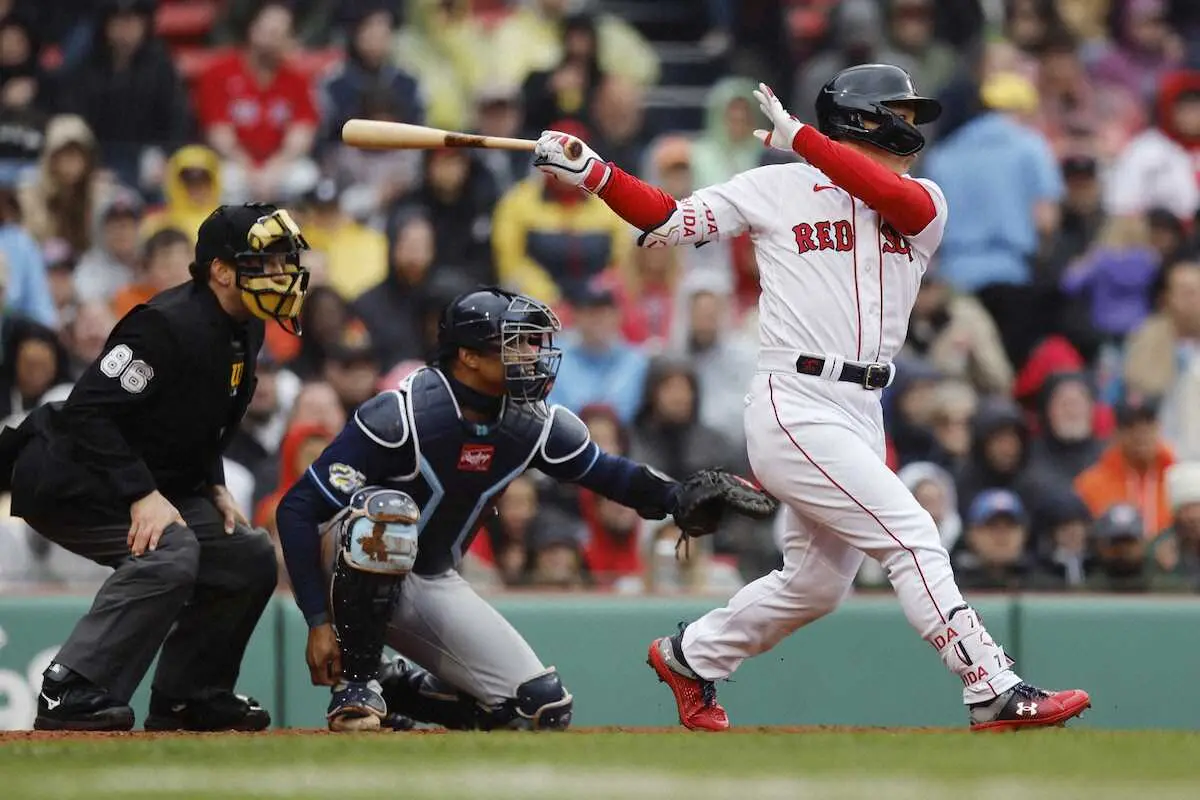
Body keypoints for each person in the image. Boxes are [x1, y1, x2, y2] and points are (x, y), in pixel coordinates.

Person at [533, 63, 1091, 731]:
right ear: (864, 116)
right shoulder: (773, 187)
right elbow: (671, 220)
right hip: (793, 398)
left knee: (817, 585)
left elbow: (893, 199)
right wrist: (595, 172)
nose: (910, 124)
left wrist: (803, 140)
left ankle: (691, 655)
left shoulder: (925, 200)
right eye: (900, 111)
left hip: (861, 407)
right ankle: (991, 686)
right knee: (913, 537)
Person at [274, 287, 767, 732]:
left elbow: (608, 473)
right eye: (515, 343)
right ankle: (356, 684)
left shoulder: (530, 423)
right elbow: (298, 508)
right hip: (345, 559)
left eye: (532, 343)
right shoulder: (402, 415)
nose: (531, 355)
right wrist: (318, 621)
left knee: (540, 709)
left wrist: (676, 499)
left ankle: (394, 683)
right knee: (389, 512)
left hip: (428, 575)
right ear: (467, 356)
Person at [0, 202, 312, 732]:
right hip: (68, 474)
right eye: (266, 263)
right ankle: (72, 687)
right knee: (170, 549)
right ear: (221, 271)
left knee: (247, 554)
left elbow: (201, 413)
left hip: (141, 476)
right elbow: (89, 413)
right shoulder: (165, 326)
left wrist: (212, 482)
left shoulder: (246, 326)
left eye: (285, 262)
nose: (282, 275)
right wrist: (142, 495)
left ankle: (189, 696)